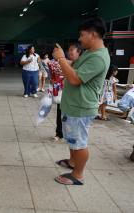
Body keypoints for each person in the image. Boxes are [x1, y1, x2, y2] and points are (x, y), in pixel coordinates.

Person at [53, 17, 110, 185]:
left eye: (82, 35)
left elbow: (76, 79)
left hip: (81, 107)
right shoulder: (90, 52)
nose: (79, 39)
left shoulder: (98, 58)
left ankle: (78, 175)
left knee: (79, 142)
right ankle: (72, 162)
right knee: (72, 138)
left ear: (93, 34)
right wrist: (64, 62)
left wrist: (62, 59)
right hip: (74, 105)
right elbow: (77, 67)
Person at [53, 43, 83, 141]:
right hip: (63, 93)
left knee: (71, 118)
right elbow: (57, 74)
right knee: (60, 113)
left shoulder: (82, 64)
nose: (69, 52)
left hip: (75, 97)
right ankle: (59, 133)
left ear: (79, 52)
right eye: (68, 50)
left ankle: (71, 136)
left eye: (72, 50)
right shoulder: (66, 63)